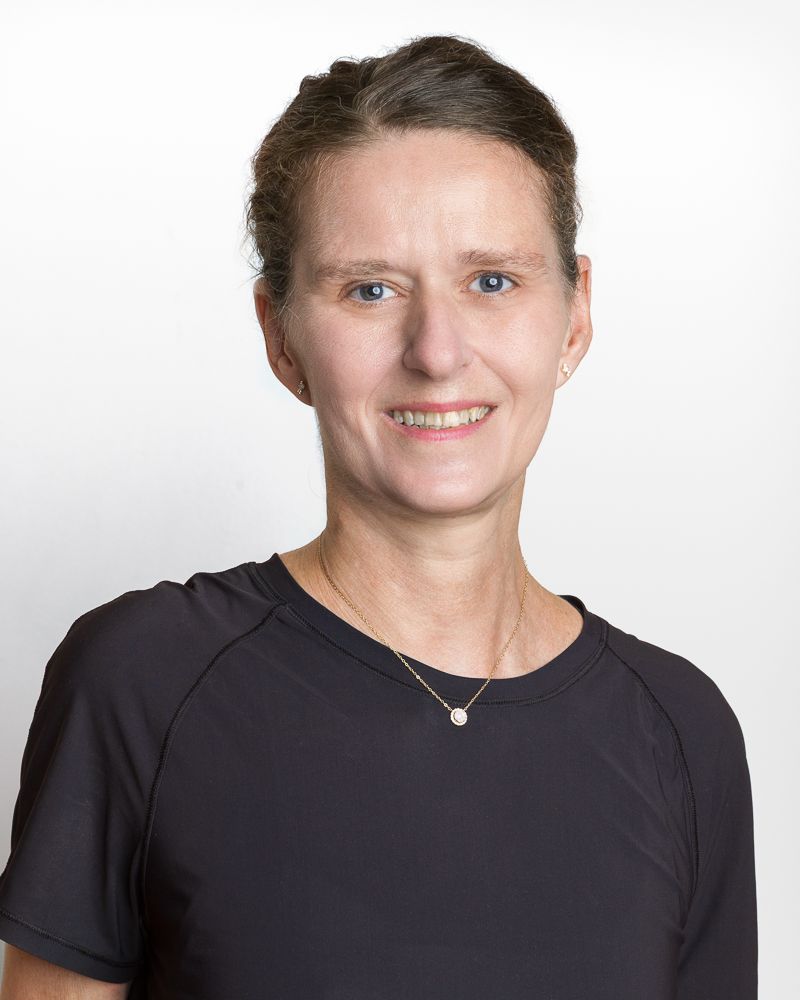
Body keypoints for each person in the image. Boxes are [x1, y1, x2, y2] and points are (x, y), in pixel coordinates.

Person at [0, 33, 757, 1000]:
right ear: (281, 337)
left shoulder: (683, 733)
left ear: (574, 316)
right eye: (370, 289)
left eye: (492, 281)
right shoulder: (143, 683)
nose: (437, 351)